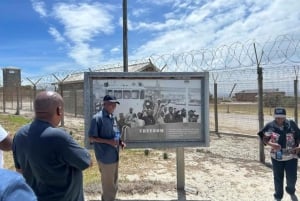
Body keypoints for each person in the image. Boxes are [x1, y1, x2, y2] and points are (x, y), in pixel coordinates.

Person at [12, 91, 91, 201]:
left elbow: (19, 170)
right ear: (59, 110)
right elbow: (86, 162)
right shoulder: (59, 137)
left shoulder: (19, 135)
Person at [88, 95, 126, 201]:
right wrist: (109, 142)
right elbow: (91, 138)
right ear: (104, 104)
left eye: (115, 104)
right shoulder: (97, 118)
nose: (113, 106)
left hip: (114, 155)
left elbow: (116, 133)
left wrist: (120, 142)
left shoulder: (112, 117)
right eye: (110, 104)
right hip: (105, 156)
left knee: (113, 181)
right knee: (108, 184)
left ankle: (108, 199)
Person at [258, 107, 300, 201]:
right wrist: (271, 144)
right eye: (277, 117)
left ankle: (290, 190)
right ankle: (278, 195)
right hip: (276, 156)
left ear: (285, 117)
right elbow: (263, 137)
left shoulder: (291, 124)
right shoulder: (270, 126)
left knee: (292, 178)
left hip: (292, 157)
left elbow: (299, 135)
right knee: (278, 177)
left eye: (281, 117)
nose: (279, 119)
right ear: (274, 117)